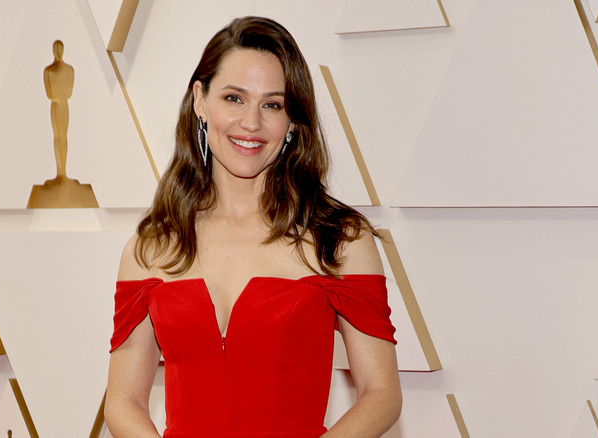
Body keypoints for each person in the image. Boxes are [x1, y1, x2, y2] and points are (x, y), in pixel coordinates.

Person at [104, 16, 401, 438]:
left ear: (293, 121)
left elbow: (382, 391)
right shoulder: (152, 246)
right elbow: (123, 400)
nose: (251, 123)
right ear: (200, 101)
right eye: (234, 98)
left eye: (272, 104)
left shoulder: (340, 237)